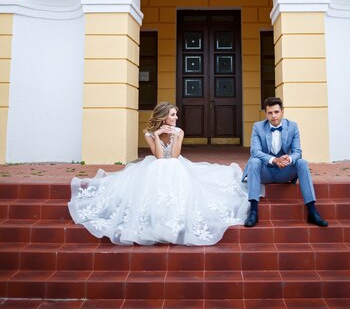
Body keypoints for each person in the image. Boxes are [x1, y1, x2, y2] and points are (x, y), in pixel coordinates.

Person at [68, 101, 249, 246]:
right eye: (173, 115)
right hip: (156, 166)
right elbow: (159, 157)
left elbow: (175, 156)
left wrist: (175, 137)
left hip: (177, 166)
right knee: (159, 168)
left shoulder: (179, 132)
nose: (176, 117)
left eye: (175, 114)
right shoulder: (149, 134)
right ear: (163, 117)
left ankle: (174, 221)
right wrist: (156, 135)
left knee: (173, 168)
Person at [242, 96, 328, 228]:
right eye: (270, 113)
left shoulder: (292, 126)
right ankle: (253, 211)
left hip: (284, 171)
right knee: (254, 161)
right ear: (265, 114)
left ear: (282, 111)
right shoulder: (258, 127)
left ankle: (312, 211)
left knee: (302, 163)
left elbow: (297, 151)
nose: (273, 116)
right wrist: (275, 160)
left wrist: (288, 159)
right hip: (265, 172)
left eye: (276, 112)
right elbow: (255, 151)